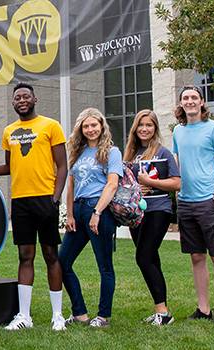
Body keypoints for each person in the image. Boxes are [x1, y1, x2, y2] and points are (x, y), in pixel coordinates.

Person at [0, 82, 68, 331]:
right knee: (25, 256)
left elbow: (62, 166)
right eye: (17, 98)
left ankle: (57, 315)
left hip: (45, 198)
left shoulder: (51, 126)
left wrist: (56, 197)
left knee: (51, 255)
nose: (21, 100)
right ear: (13, 103)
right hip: (20, 201)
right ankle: (24, 316)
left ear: (35, 99)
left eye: (26, 96)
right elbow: (9, 167)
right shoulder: (9, 131)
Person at [58, 108, 122, 328]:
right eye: (86, 126)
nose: (91, 129)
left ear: (101, 126)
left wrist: (97, 212)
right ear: (81, 129)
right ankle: (80, 313)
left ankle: (103, 316)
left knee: (104, 266)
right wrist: (69, 214)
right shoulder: (78, 152)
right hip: (78, 209)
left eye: (94, 125)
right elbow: (71, 185)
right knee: (62, 262)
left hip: (99, 211)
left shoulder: (112, 152)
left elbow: (112, 184)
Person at [173, 86, 214, 324]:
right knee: (196, 257)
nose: (190, 101)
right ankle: (203, 308)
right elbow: (177, 164)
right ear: (181, 103)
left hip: (210, 202)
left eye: (194, 97)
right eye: (185, 98)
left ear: (202, 102)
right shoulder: (178, 130)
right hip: (186, 202)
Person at [123, 109, 180, 326]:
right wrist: (136, 186)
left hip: (159, 211)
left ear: (155, 128)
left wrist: (151, 183)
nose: (145, 129)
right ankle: (161, 311)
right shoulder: (131, 153)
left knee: (143, 257)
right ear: (135, 128)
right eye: (141, 125)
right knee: (151, 258)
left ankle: (163, 313)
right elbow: (125, 183)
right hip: (136, 212)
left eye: (149, 125)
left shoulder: (163, 153)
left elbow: (176, 183)